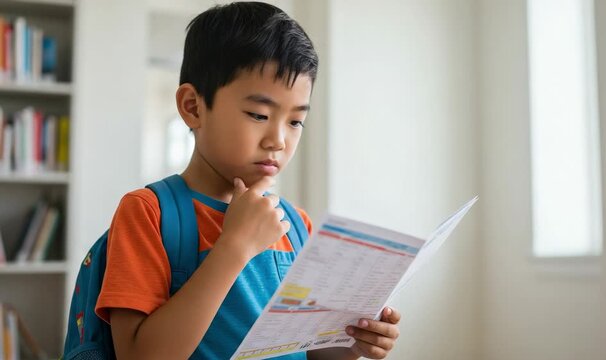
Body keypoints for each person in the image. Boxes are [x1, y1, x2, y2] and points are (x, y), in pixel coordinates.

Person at [95, 2, 401, 359]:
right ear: (193, 107)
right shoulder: (149, 213)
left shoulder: (295, 225)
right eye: (259, 114)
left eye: (295, 121)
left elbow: (309, 353)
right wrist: (234, 248)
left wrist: (355, 341)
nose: (279, 140)